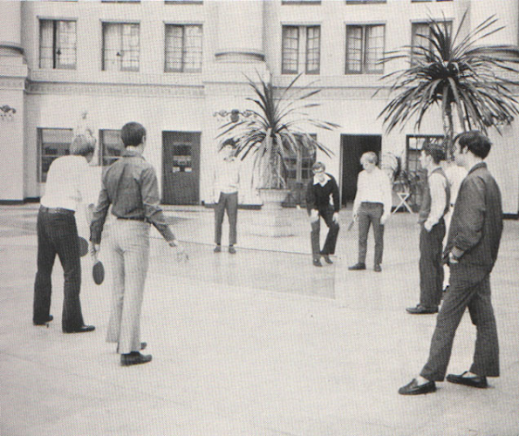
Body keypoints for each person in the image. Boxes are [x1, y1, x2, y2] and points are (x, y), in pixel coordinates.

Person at [399, 131, 503, 395]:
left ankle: (428, 376)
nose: (453, 154)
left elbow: (470, 227)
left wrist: (456, 253)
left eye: (456, 148)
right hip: (482, 263)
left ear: (467, 149)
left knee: (446, 319)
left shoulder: (473, 181)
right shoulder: (488, 179)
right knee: (485, 317)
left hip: (468, 264)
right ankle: (480, 370)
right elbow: (496, 225)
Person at [90, 122, 188, 367]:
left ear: (123, 141)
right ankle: (130, 351)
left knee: (119, 289)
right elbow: (152, 209)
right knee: (134, 291)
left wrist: (94, 238)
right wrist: (172, 239)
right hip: (135, 233)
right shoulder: (145, 169)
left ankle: (121, 339)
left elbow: (101, 207)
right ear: (143, 139)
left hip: (115, 231)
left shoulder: (110, 169)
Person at [33, 135, 96, 333]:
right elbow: (89, 205)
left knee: (44, 268)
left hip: (43, 215)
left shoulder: (57, 162)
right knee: (72, 271)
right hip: (62, 218)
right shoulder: (85, 168)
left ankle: (40, 314)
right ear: (90, 153)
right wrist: (95, 232)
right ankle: (72, 322)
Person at [406, 142, 450, 314]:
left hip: (433, 227)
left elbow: (439, 205)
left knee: (427, 264)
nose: (420, 158)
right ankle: (434, 298)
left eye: (422, 155)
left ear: (430, 158)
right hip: (437, 226)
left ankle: (427, 303)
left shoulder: (435, 177)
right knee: (434, 262)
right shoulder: (438, 175)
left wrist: (429, 223)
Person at [348, 152, 392, 272]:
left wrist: (386, 213)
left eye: (366, 164)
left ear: (373, 163)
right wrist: (355, 210)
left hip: (377, 207)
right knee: (362, 237)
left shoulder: (383, 176)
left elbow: (387, 195)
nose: (364, 167)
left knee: (378, 237)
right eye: (363, 164)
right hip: (363, 207)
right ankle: (361, 262)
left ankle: (377, 263)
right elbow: (359, 192)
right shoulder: (361, 175)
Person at [306, 162, 340, 267]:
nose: (319, 175)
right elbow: (309, 199)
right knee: (315, 229)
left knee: (335, 226)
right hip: (314, 207)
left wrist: (336, 211)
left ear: (324, 171)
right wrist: (312, 211)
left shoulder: (330, 180)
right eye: (316, 173)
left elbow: (336, 195)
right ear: (313, 173)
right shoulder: (311, 183)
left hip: (326, 205)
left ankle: (326, 251)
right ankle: (316, 257)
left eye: (321, 172)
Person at [442, 160, 468, 292]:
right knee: (453, 245)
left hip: (456, 210)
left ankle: (449, 283)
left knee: (449, 246)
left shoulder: (452, 171)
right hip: (458, 210)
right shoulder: (461, 171)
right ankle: (450, 282)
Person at [213, 138, 240, 254]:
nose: (228, 150)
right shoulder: (218, 163)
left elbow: (241, 179)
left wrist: (241, 194)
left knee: (233, 220)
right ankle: (217, 244)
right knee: (218, 219)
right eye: (226, 148)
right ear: (223, 149)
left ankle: (231, 244)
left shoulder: (238, 163)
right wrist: (212, 193)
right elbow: (213, 178)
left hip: (232, 192)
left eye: (230, 148)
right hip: (220, 193)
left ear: (233, 150)